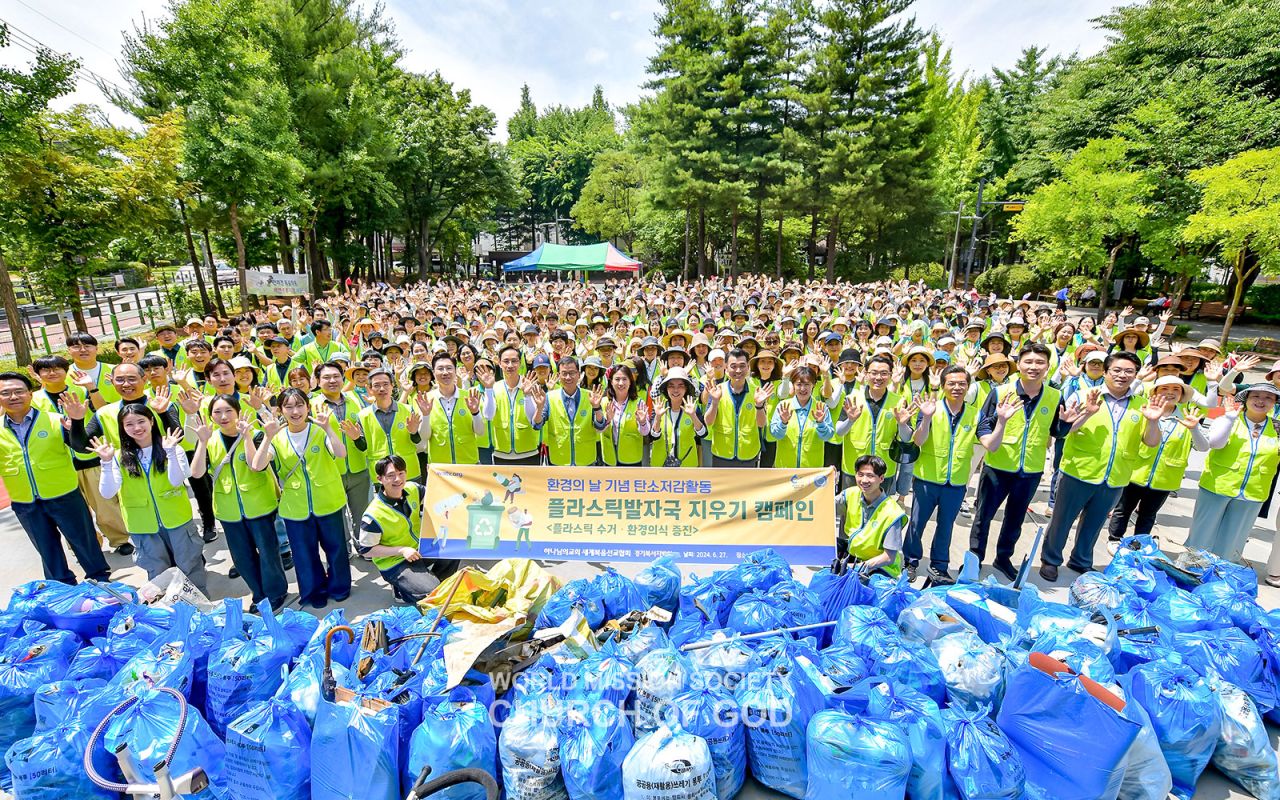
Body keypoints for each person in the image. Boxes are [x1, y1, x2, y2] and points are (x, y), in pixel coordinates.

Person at [1039, 351, 1161, 581]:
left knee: (1095, 523)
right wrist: (1086, 413)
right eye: (1116, 370)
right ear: (1105, 372)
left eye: (1129, 371)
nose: (1122, 375)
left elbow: (1151, 441)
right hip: (1079, 470)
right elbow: (1065, 431)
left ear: (1136, 375)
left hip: (1115, 475)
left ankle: (1081, 560)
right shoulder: (1084, 395)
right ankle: (1051, 560)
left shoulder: (1143, 406)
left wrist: (1153, 421)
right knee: (1062, 520)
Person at [906, 366, 1019, 585]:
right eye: (952, 383)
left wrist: (1002, 422)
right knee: (916, 524)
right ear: (944, 385)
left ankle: (939, 566)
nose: (957, 388)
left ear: (968, 386)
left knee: (946, 526)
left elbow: (991, 445)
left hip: (956, 481)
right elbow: (918, 441)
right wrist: (927, 418)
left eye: (962, 384)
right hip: (926, 479)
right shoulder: (930, 408)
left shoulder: (976, 414)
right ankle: (910, 562)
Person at [969, 343, 1068, 581]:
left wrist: (1068, 423)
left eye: (1040, 363)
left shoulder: (1055, 396)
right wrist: (986, 441)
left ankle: (1003, 558)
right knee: (984, 516)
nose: (1034, 367)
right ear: (1019, 364)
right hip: (997, 467)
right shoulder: (1001, 392)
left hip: (1031, 469)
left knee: (1015, 518)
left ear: (1048, 366)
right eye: (1029, 362)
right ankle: (974, 559)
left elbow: (1057, 430)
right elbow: (983, 423)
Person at [0, 372, 111, 584]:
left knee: (83, 542)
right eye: (6, 393)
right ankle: (62, 587)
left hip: (64, 495)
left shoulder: (54, 420)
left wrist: (77, 421)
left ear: (30, 394)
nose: (13, 396)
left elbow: (82, 448)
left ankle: (100, 581)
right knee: (46, 549)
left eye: (19, 391)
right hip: (25, 502)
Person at [250, 388, 350, 608]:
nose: (295, 411)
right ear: (280, 410)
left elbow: (340, 452)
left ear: (308, 406)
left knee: (336, 548)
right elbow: (257, 465)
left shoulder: (319, 430)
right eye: (289, 406)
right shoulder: (277, 437)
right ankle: (314, 591)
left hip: (328, 500)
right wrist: (268, 436)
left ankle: (339, 586)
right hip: (295, 505)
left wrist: (328, 428)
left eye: (299, 405)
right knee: (305, 554)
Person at [92, 404, 206, 592]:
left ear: (152, 421)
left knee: (190, 566)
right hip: (142, 525)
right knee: (158, 572)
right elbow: (107, 492)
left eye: (141, 421)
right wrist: (105, 462)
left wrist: (170, 451)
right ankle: (168, 613)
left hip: (177, 520)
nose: (137, 428)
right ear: (122, 428)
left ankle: (199, 607)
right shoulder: (117, 456)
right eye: (129, 424)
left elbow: (177, 480)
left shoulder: (171, 448)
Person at [189, 397, 287, 609]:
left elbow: (255, 466)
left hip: (259, 504)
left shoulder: (257, 434)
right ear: (211, 415)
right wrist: (203, 441)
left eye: (228, 411)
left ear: (238, 411)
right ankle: (259, 594)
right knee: (242, 557)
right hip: (228, 508)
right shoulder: (209, 438)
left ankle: (276, 591)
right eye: (217, 412)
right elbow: (196, 473)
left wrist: (247, 437)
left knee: (268, 553)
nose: (223, 417)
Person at [1107, 377, 1207, 545]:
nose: (1170, 392)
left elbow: (1203, 447)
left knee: (1148, 513)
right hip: (1134, 472)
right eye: (1164, 388)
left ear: (1182, 395)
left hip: (1165, 478)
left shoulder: (1188, 418)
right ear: (1154, 392)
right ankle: (1115, 539)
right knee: (1123, 509)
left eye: (1176, 389)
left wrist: (1195, 429)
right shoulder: (1141, 411)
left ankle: (1138, 543)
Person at [1187, 383, 1280, 562]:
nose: (1261, 401)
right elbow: (1215, 444)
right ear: (1246, 399)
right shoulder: (1229, 419)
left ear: (1275, 402)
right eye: (1256, 396)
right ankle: (1190, 570)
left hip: (1253, 493)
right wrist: (1229, 419)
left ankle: (1221, 577)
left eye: (1268, 397)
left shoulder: (1277, 429)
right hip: (1216, 487)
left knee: (1233, 541)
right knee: (1201, 535)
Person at [359, 455, 444, 604]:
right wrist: (401, 550)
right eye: (391, 475)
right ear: (380, 479)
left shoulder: (413, 489)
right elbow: (366, 549)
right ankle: (403, 589)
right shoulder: (373, 514)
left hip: (419, 550)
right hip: (395, 561)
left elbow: (436, 497)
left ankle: (426, 582)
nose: (398, 479)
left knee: (453, 549)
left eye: (401, 473)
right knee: (433, 592)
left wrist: (436, 479)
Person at [312, 361, 372, 530]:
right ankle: (343, 549)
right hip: (329, 470)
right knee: (336, 516)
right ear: (317, 381)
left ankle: (364, 547)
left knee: (362, 513)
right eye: (326, 377)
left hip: (358, 469)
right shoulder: (311, 405)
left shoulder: (354, 401)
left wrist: (357, 437)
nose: (332, 380)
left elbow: (364, 433)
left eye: (336, 376)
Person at [834, 354, 908, 490]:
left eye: (884, 373)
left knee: (882, 510)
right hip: (855, 469)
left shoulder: (899, 401)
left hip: (884, 470)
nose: (878, 378)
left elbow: (907, 438)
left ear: (891, 375)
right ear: (866, 374)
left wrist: (902, 424)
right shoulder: (853, 398)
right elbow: (839, 431)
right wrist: (850, 421)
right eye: (873, 373)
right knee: (852, 508)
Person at [834, 455, 907, 577]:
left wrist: (857, 567)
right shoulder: (850, 494)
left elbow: (888, 557)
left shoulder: (892, 513)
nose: (864, 480)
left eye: (870, 476)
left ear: (881, 478)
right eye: (860, 474)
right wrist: (826, 481)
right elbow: (823, 507)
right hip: (854, 558)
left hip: (881, 569)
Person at [415, 352, 487, 465]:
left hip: (468, 463)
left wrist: (475, 412)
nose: (445, 372)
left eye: (449, 368)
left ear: (455, 371)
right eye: (440, 369)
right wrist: (425, 415)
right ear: (434, 373)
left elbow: (480, 432)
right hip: (440, 467)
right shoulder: (426, 399)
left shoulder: (470, 396)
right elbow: (424, 436)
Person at [357, 368, 427, 484]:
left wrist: (414, 432)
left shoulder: (408, 410)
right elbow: (363, 447)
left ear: (392, 386)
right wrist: (356, 439)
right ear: (369, 389)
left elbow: (418, 442)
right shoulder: (363, 415)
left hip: (409, 470)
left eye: (385, 384)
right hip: (381, 474)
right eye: (377, 385)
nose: (382, 389)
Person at [703, 349, 767, 467]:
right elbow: (708, 421)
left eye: (742, 366)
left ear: (748, 368)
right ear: (726, 368)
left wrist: (759, 405)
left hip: (748, 454)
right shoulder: (717, 390)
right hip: (722, 453)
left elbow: (761, 424)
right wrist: (715, 402)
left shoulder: (757, 392)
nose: (738, 370)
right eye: (733, 366)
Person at [482, 346, 543, 466]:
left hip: (529, 453)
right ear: (499, 363)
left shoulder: (530, 386)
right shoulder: (494, 388)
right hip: (501, 453)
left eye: (514, 361)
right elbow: (488, 416)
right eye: (506, 361)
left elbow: (533, 419)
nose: (510, 365)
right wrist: (488, 389)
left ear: (520, 363)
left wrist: (527, 395)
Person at [769, 365, 834, 468]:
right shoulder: (783, 406)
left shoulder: (821, 408)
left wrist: (821, 423)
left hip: (811, 469)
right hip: (785, 468)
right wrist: (783, 423)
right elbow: (775, 435)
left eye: (807, 384)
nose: (803, 389)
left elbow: (828, 436)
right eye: (799, 384)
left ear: (813, 385)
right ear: (793, 385)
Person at [650, 367, 707, 467]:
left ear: (686, 388)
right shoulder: (659, 406)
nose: (675, 390)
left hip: (687, 465)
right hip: (661, 464)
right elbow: (654, 436)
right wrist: (658, 417)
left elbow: (702, 434)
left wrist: (693, 416)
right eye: (671, 386)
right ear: (666, 389)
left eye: (680, 386)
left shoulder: (692, 407)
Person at [597, 363, 649, 466]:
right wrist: (607, 420)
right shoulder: (603, 402)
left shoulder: (639, 403)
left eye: (624, 379)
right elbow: (598, 430)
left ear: (630, 382)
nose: (621, 383)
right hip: (610, 458)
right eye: (617, 379)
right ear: (611, 382)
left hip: (631, 458)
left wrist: (642, 422)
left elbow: (645, 432)